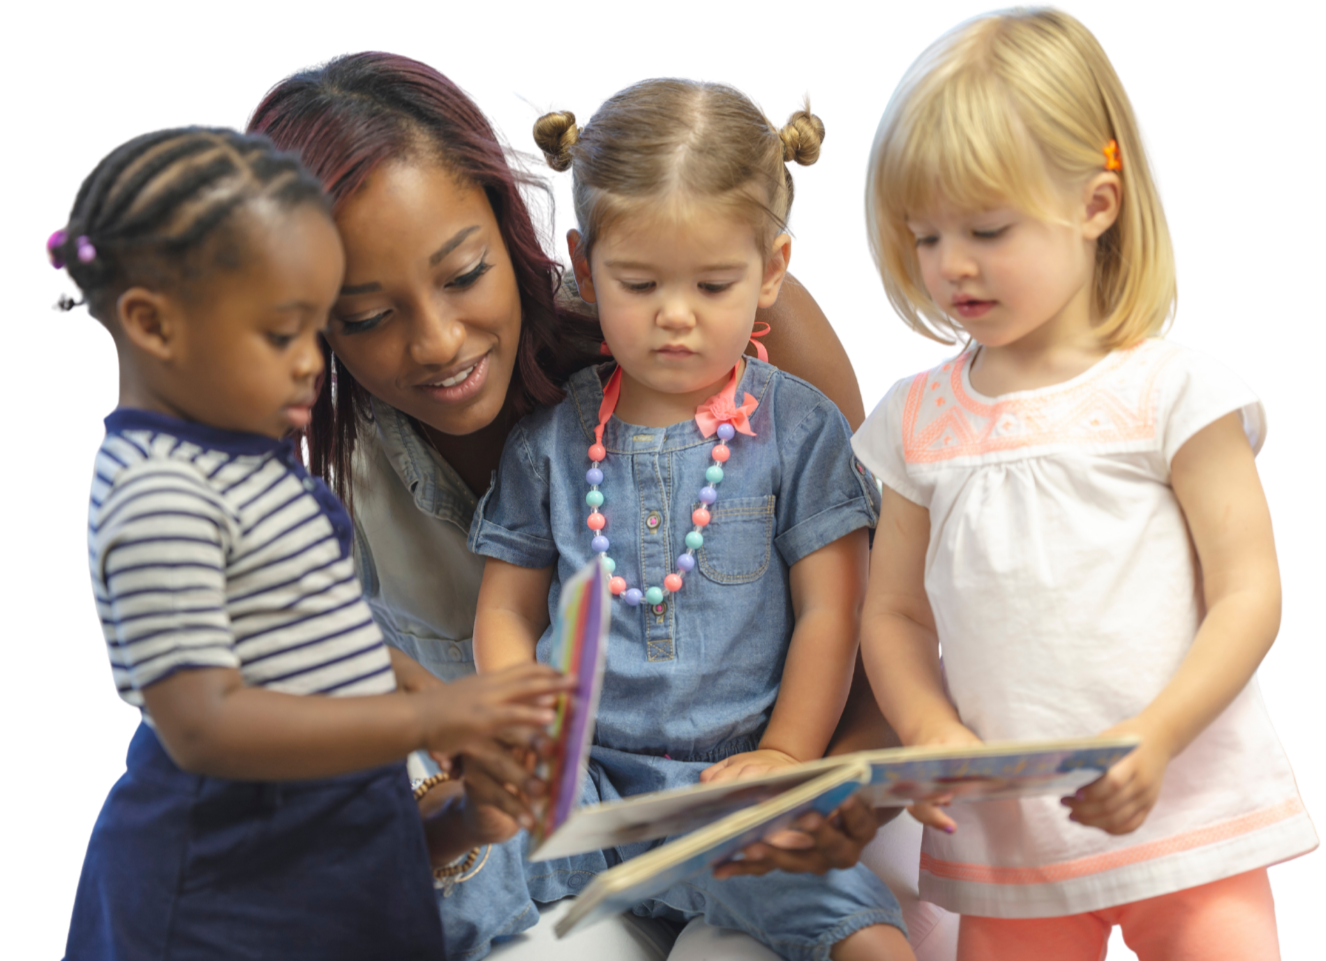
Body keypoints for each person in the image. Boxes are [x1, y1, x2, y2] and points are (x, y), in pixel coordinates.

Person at [244, 51, 921, 958]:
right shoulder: (509, 451)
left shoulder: (777, 394)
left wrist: (796, 770)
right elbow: (497, 624)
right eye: (366, 316)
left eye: (462, 273)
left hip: (747, 789)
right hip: (575, 795)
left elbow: (853, 616)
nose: (439, 342)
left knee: (845, 921)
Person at [852, 5, 1318, 959]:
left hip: (1188, 819)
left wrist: (1157, 734)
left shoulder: (1173, 391)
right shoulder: (916, 420)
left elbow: (1250, 590)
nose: (952, 266)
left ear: (1095, 205)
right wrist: (929, 726)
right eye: (924, 235)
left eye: (986, 227)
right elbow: (893, 616)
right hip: (1011, 850)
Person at [62, 124, 576, 960]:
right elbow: (204, 725)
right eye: (287, 332)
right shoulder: (157, 493)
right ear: (152, 323)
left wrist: (460, 790)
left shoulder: (264, 469)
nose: (312, 365)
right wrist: (435, 708)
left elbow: (349, 649)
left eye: (317, 330)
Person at [457, 77, 914, 961]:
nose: (675, 314)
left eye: (712, 283)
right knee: (448, 877)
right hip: (584, 781)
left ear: (774, 269)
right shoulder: (551, 440)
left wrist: (786, 755)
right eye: (639, 282)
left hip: (730, 782)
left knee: (852, 919)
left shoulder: (799, 429)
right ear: (585, 271)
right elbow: (507, 609)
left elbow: (834, 607)